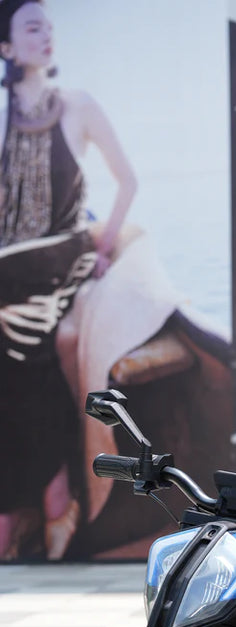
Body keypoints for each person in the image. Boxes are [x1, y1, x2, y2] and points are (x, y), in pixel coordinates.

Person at [0, 0, 136, 560]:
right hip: (9, 267)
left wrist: (104, 247)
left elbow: (127, 180)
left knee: (22, 347)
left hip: (59, 260)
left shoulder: (77, 105)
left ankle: (35, 504)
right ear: (7, 47)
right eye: (32, 26)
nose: (46, 35)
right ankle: (44, 497)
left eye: (49, 26)